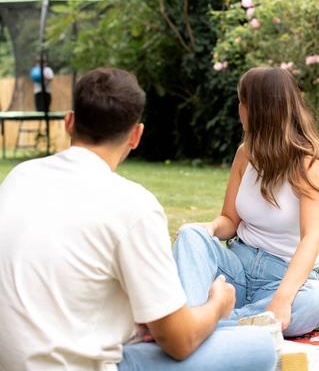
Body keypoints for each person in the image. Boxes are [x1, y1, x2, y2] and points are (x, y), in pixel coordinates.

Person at [0, 68, 276, 371]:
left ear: (69, 122)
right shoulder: (133, 205)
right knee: (260, 345)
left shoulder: (19, 178)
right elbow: (179, 342)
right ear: (136, 135)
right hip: (80, 364)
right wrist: (218, 304)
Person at [174, 66, 319, 340]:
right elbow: (229, 220)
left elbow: (312, 238)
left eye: (241, 102)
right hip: (236, 266)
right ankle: (206, 325)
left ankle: (200, 325)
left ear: (257, 108)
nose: (238, 109)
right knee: (191, 236)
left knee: (314, 300)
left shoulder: (309, 163)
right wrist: (209, 228)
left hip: (280, 278)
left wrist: (284, 298)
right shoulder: (245, 153)